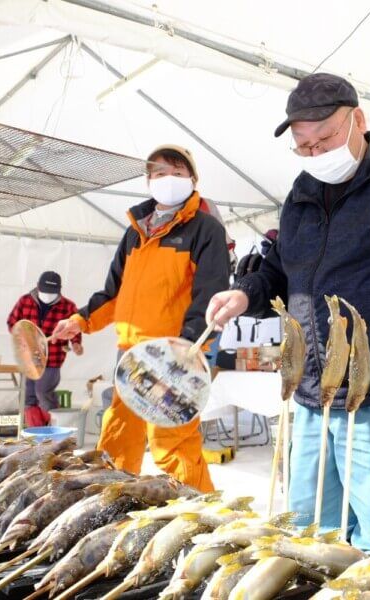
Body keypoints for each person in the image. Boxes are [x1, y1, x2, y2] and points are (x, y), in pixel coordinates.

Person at [206, 73, 370, 555]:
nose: (315, 154)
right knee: (307, 530)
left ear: (358, 121)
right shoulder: (302, 194)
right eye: (303, 146)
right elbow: (280, 268)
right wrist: (244, 294)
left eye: (324, 139)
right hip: (312, 393)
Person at [52, 144, 229, 492]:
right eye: (160, 173)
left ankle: (197, 510)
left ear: (193, 180)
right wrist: (80, 320)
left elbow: (210, 296)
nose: (169, 179)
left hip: (172, 356)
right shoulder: (135, 231)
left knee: (172, 444)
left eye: (178, 173)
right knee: (118, 435)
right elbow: (114, 293)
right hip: (130, 355)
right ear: (148, 180)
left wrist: (186, 348)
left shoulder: (205, 229)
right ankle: (113, 501)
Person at [7, 271, 83, 427]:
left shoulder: (68, 306)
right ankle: (37, 431)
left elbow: (74, 328)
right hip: (29, 358)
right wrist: (23, 338)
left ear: (59, 290)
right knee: (29, 396)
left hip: (53, 358)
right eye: (45, 291)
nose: (48, 295)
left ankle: (55, 425)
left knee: (43, 391)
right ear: (37, 287)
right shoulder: (25, 301)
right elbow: (13, 323)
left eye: (52, 292)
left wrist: (76, 343)